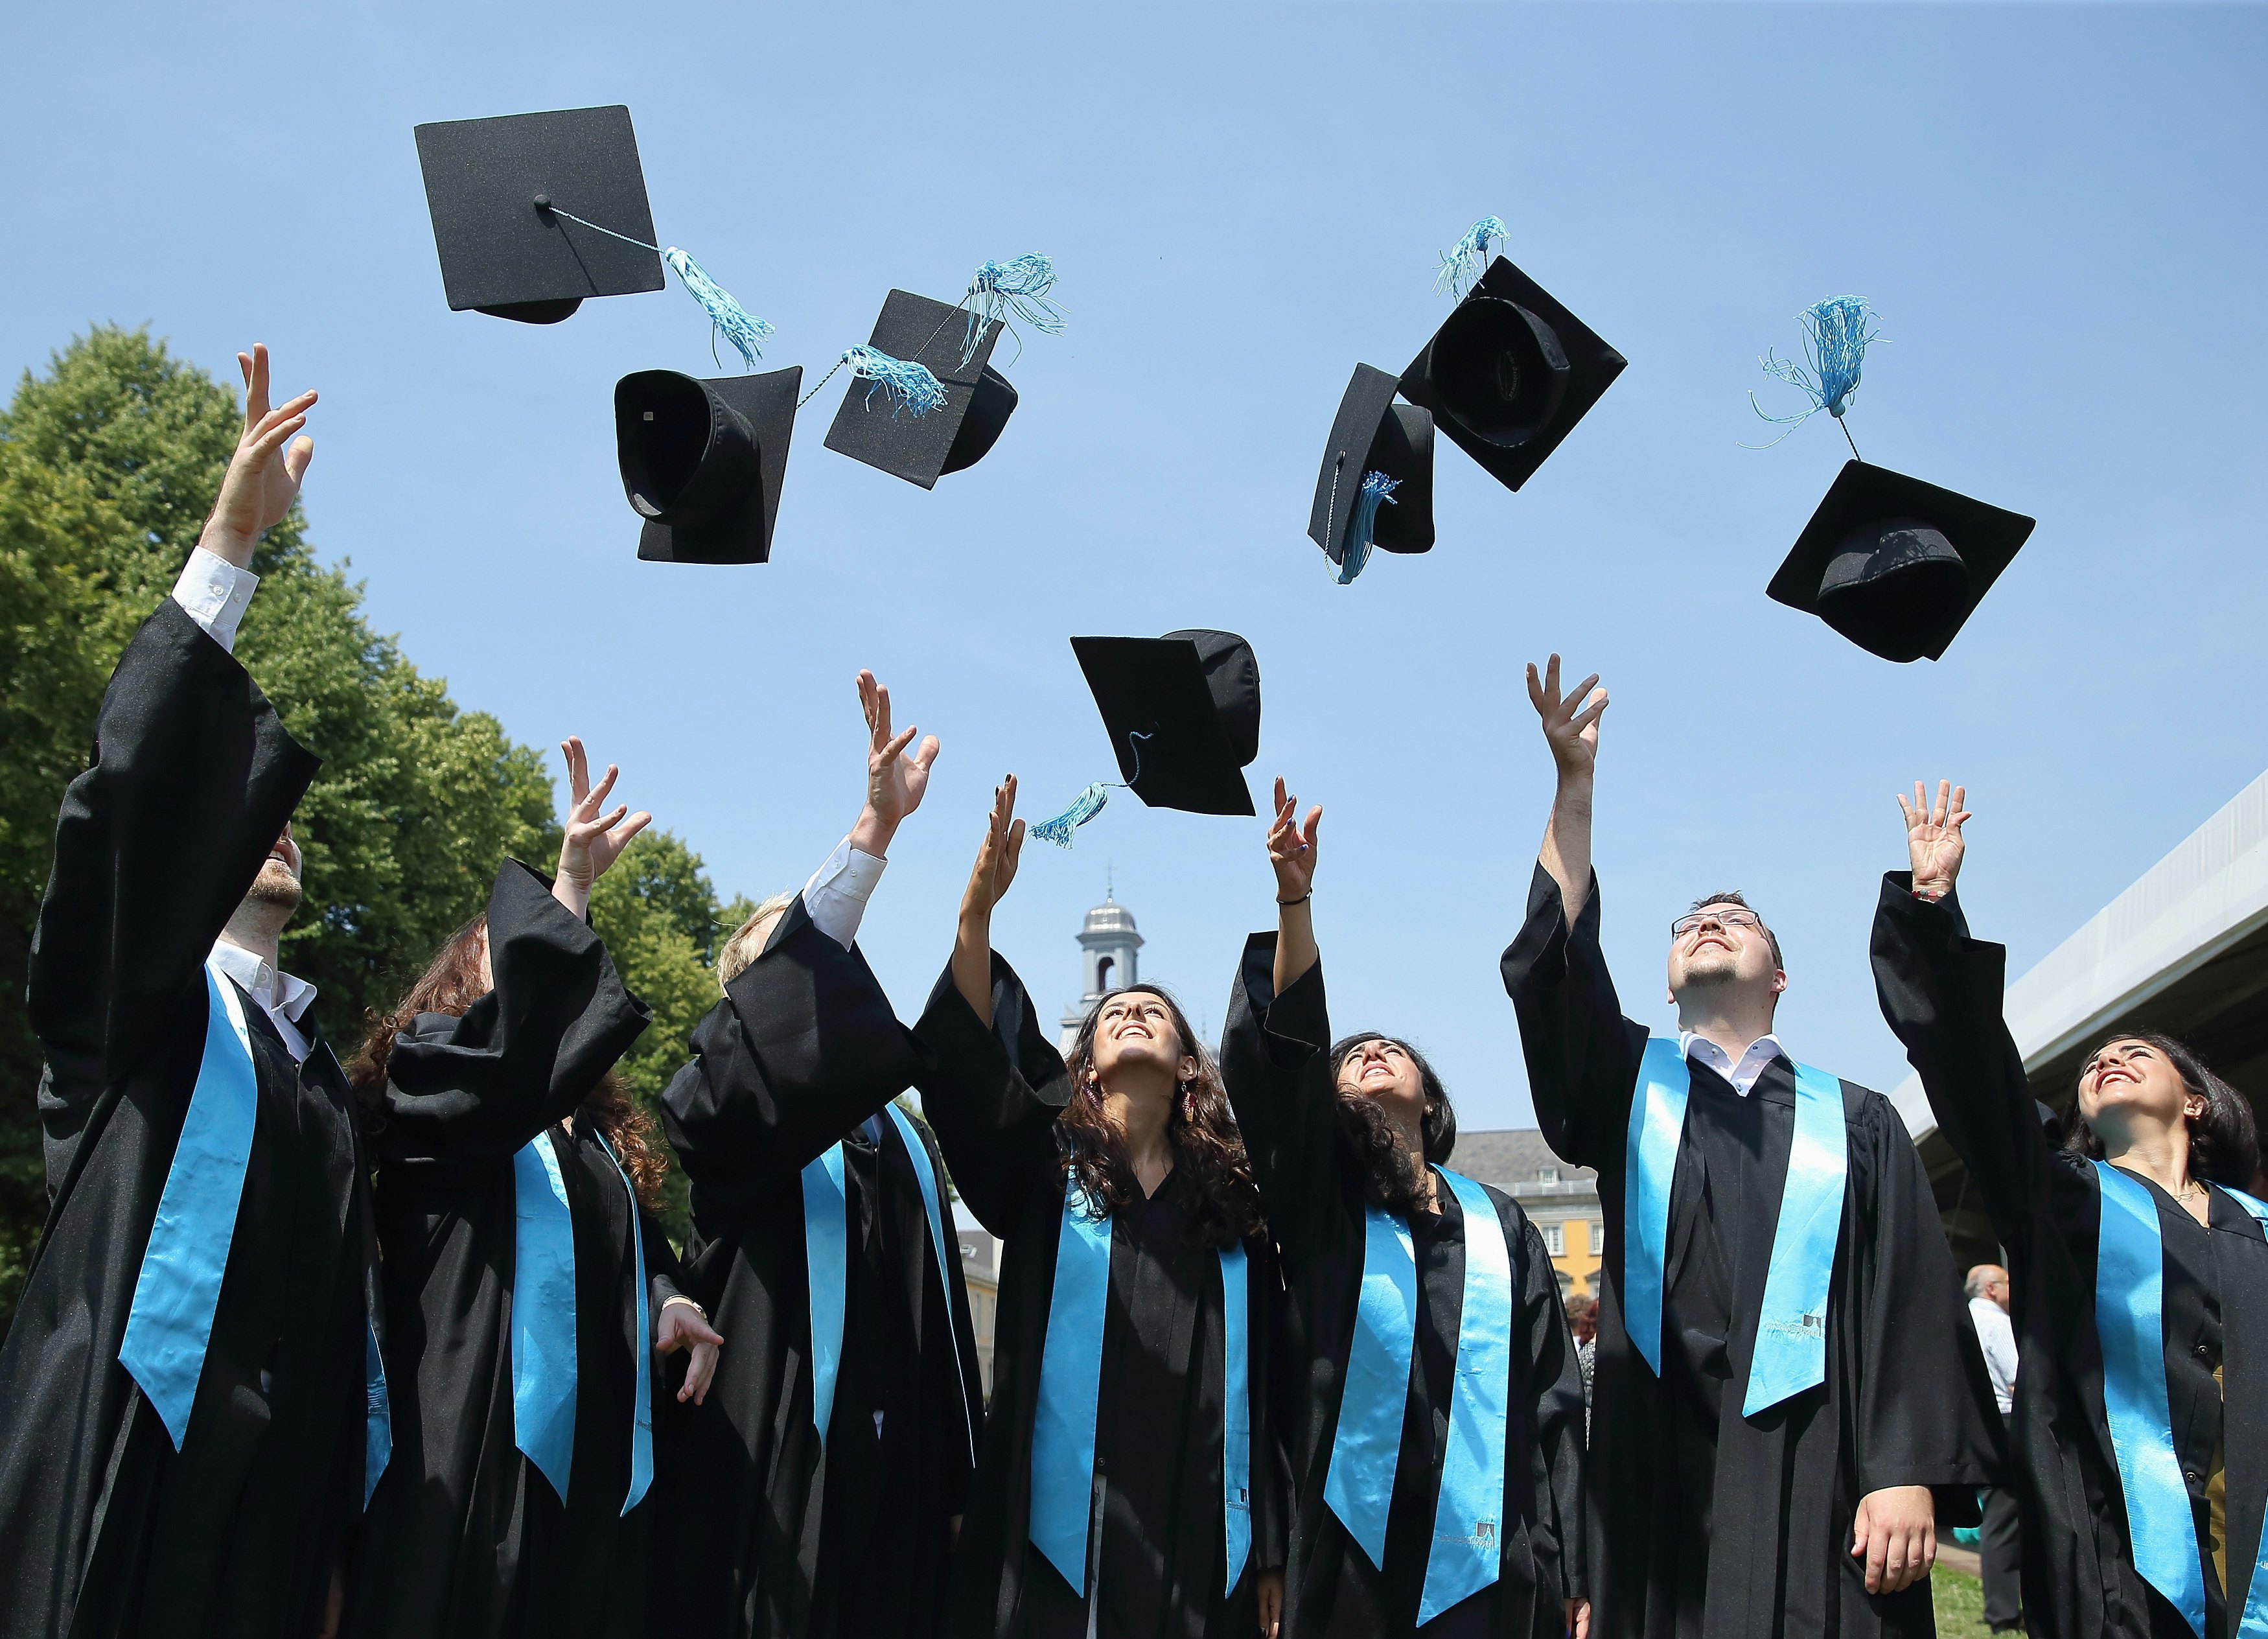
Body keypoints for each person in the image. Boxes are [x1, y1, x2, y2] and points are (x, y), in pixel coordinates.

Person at [0, 346, 391, 1639]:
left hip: (267, 1531)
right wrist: (227, 547)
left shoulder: (318, 1088)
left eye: (287, 826)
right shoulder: (139, 1015)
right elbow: (118, 826)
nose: (274, 829)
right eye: (242, 818)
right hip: (119, 1471)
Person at [1501, 658, 1998, 1639]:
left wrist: (1903, 1467)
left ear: (1781, 975)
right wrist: (1574, 793)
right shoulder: (1626, 1089)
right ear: (1668, 973)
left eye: (1735, 919)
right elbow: (1552, 966)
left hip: (1828, 1461)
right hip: (1658, 1469)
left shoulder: (1854, 1121)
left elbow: (1905, 1296)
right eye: (1688, 924)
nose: (1707, 924)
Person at [342, 740, 722, 1639]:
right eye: (507, 946)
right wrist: (571, 889)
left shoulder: (593, 1141)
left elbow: (635, 1254)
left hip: (597, 1442)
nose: (535, 966)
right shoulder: (426, 1077)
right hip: (463, 1423)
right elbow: (500, 1070)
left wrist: (666, 1297)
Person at [1873, 779, 2268, 1639]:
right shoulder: (2063, 1202)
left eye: (2136, 1053)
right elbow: (1976, 1070)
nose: (2107, 1061)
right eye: (2094, 1061)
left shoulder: (2258, 1229)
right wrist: (1937, 908)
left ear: (2195, 1102)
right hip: (2119, 1561)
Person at [649, 673, 986, 1639]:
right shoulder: (721, 1106)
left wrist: (960, 1478)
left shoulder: (906, 1139)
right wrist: (871, 840)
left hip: (906, 1477)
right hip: (771, 1448)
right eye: (782, 959)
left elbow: (951, 1333)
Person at [912, 776, 1286, 1639]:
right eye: (1114, 1012)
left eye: (1153, 1010)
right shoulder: (1047, 1175)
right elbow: (970, 1077)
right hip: (1064, 1530)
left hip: (1203, 1525)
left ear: (1190, 1067)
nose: (1132, 1013)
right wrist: (975, 919)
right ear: (1082, 1071)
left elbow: (1271, 1385)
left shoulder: (1234, 1205)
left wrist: (1271, 1538)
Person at [1221, 778, 1589, 1638]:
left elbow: (1552, 1399)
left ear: (1430, 1102)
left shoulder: (1501, 1226)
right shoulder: (1320, 1205)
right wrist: (1294, 897)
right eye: (1352, 1056)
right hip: (1351, 1546)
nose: (1376, 1050)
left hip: (1494, 1549)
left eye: (1396, 1051)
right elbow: (1282, 1059)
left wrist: (1573, 1565)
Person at [1965, 1264, 2023, 1633]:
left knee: (1997, 1517)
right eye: (2008, 1283)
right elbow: (2020, 1380)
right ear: (1991, 1288)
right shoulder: (1998, 1324)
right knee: (2006, 1519)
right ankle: (2003, 1612)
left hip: (1972, 1425)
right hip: (2005, 1424)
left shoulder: (1959, 1318)